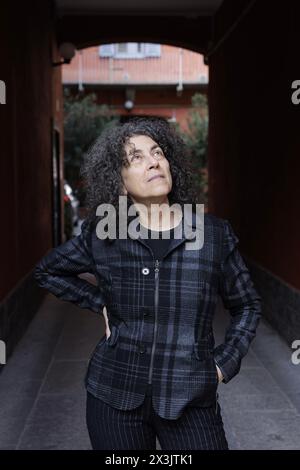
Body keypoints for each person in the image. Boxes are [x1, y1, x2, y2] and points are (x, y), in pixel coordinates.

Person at [34, 117, 261, 450]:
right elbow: (47, 271)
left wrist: (221, 365)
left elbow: (248, 305)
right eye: (136, 157)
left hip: (189, 396)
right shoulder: (104, 234)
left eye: (158, 152)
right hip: (114, 394)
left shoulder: (212, 235)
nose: (153, 161)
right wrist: (101, 303)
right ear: (121, 184)